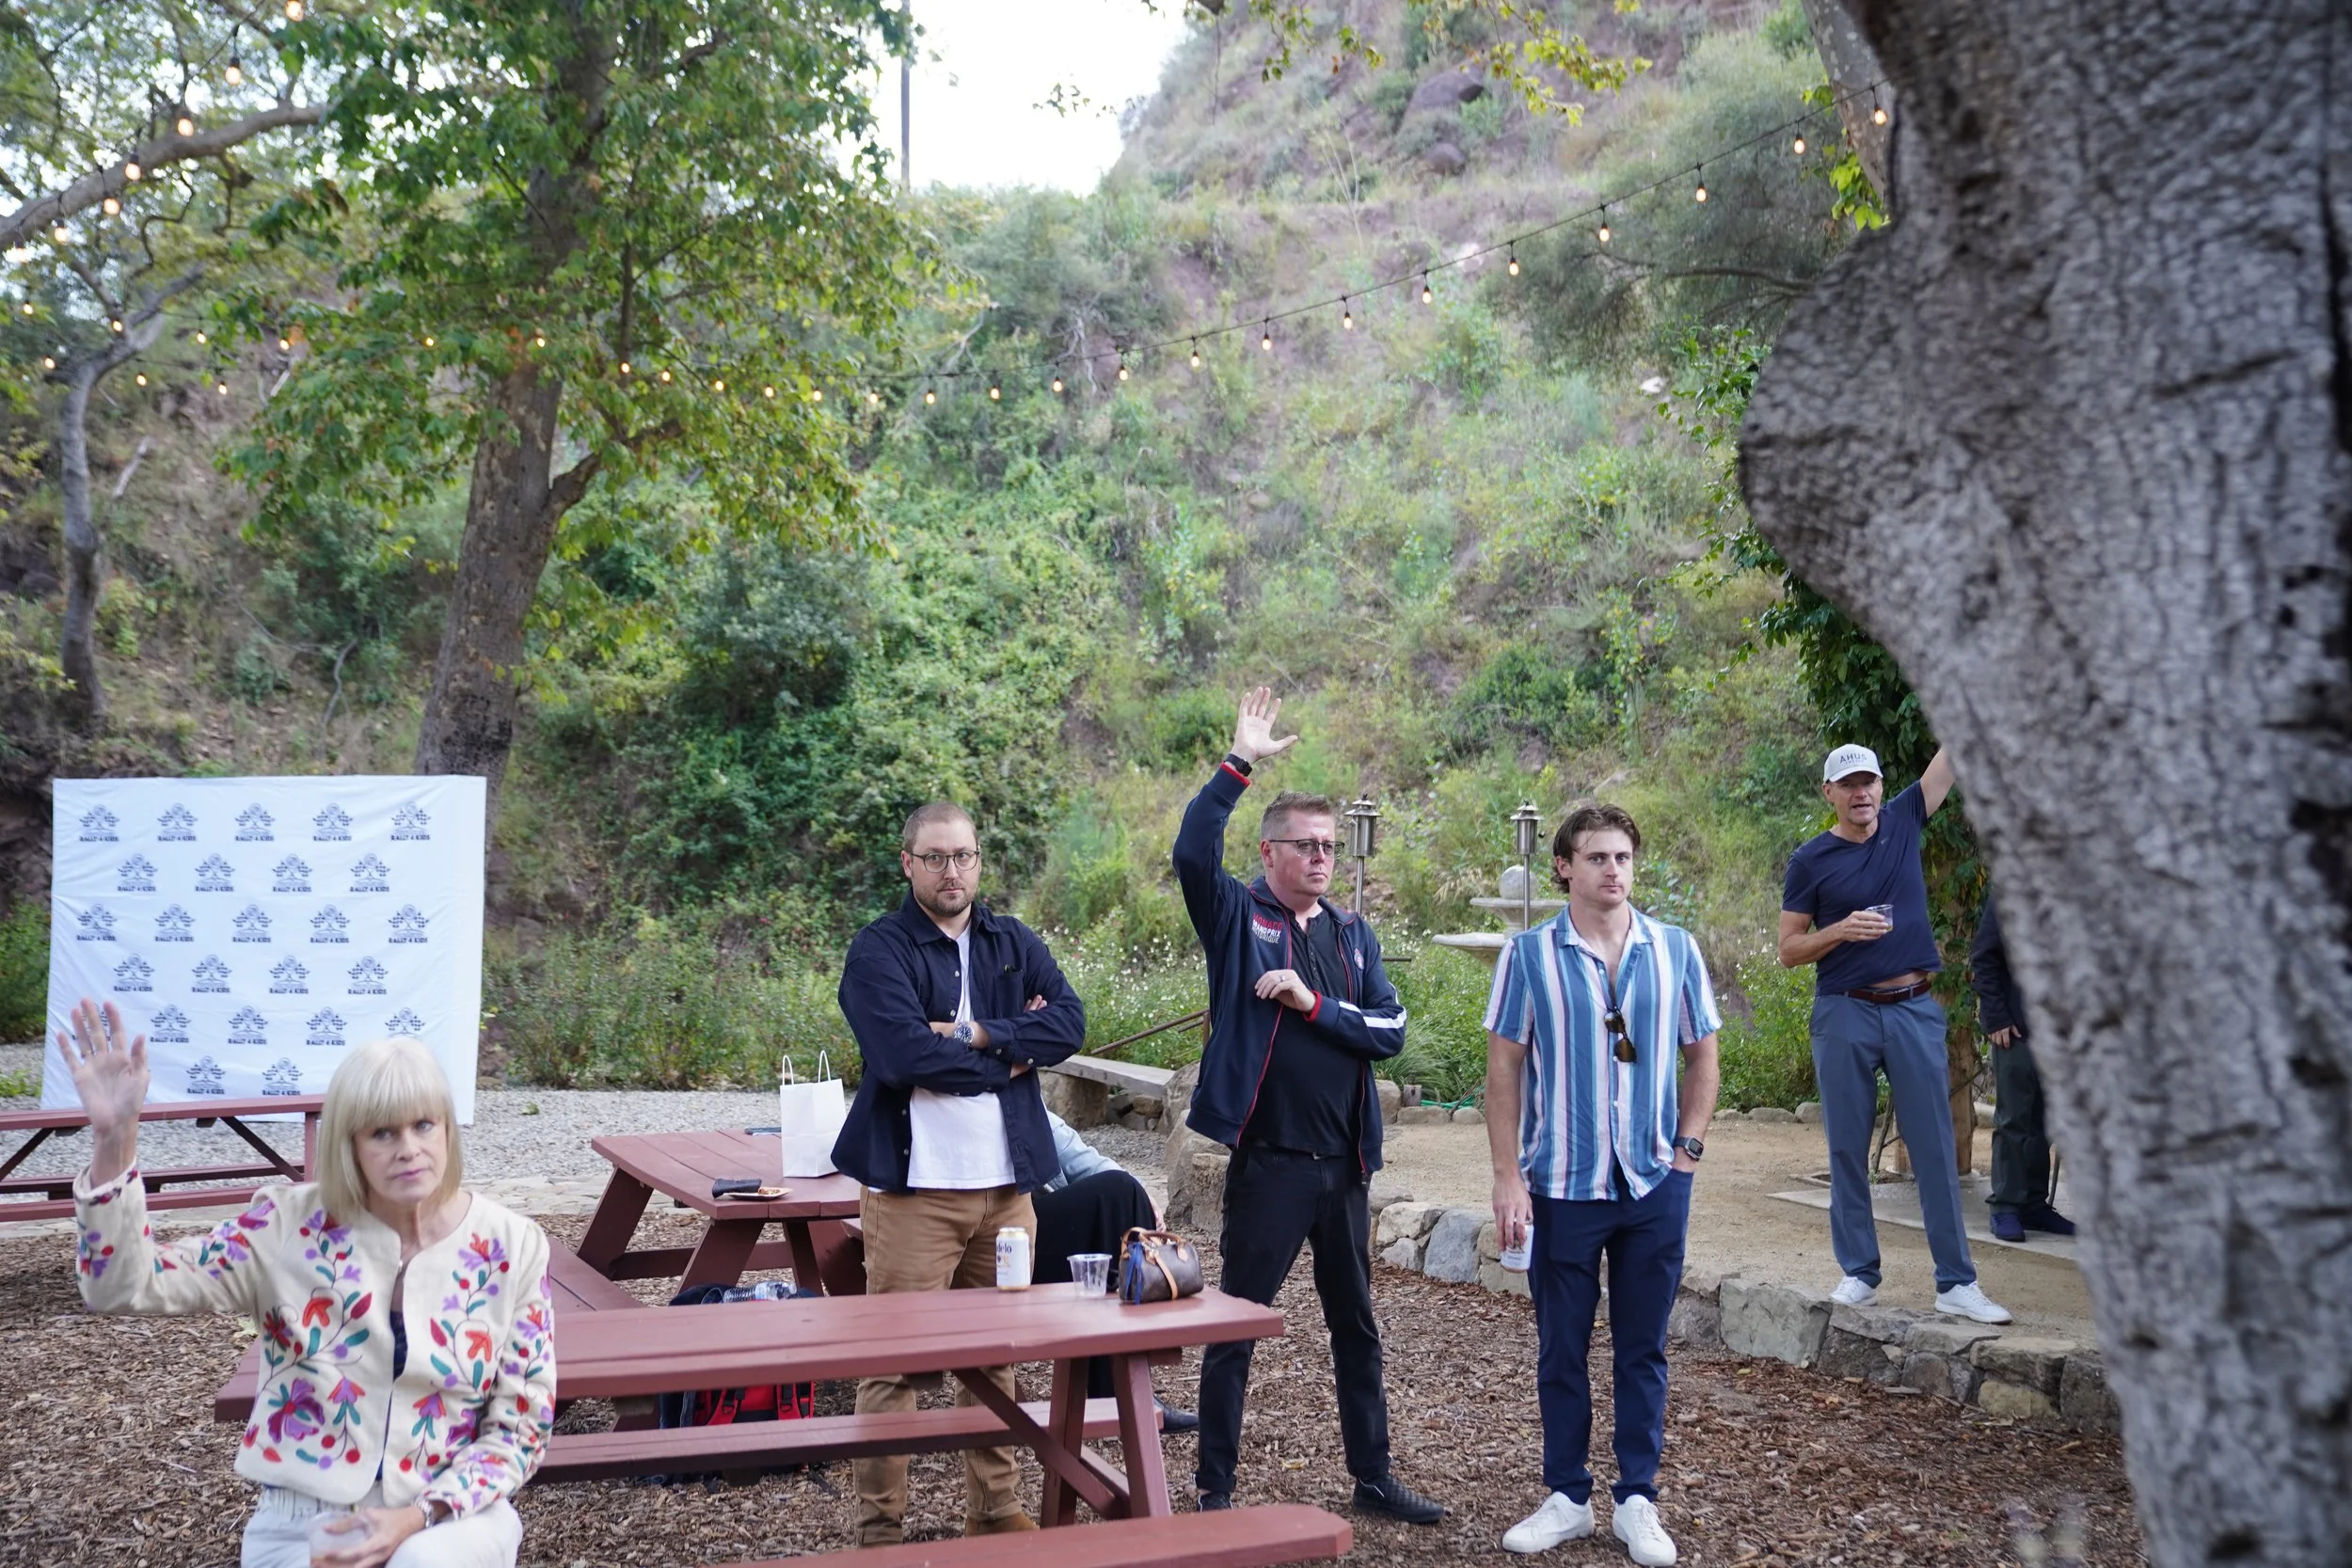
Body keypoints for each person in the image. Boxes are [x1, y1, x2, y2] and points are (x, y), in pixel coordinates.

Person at [60, 1001, 554, 1568]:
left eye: (424, 1125)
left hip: (447, 1514)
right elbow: (124, 1286)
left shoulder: (513, 1246)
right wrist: (115, 1138)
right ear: (349, 1145)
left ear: (447, 1128)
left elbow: (520, 1428)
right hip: (302, 1520)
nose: (409, 1149)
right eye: (382, 1133)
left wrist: (417, 1516)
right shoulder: (284, 1227)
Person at [1172, 687, 1444, 1526]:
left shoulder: (1353, 935)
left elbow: (1390, 1028)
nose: (1323, 856)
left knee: (1356, 1330)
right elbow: (1191, 851)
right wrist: (1239, 760)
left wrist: (1312, 1004)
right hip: (1272, 1167)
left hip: (1344, 1169)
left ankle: (1372, 1475)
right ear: (1271, 851)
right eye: (1308, 844)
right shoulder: (1236, 915)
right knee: (1236, 1330)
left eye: (1330, 845)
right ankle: (1214, 1488)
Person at [831, 800, 1087, 1546]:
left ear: (980, 861)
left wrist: (978, 1033)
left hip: (1008, 1190)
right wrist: (1010, 1058)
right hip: (914, 1192)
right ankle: (881, 1530)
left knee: (998, 1355)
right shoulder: (879, 949)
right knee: (894, 1365)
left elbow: (1069, 1023)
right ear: (907, 862)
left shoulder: (1012, 941)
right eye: (937, 857)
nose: (953, 871)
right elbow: (900, 1055)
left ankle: (995, 1509)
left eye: (965, 856)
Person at [1486, 804, 1720, 1567]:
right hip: (1560, 1183)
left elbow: (1703, 1057)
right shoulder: (1527, 956)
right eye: (1596, 858)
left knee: (1643, 1347)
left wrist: (1686, 1154)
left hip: (1654, 1181)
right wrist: (1507, 1176)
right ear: (1564, 867)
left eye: (1622, 857)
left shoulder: (1675, 950)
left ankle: (1637, 1500)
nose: (1612, 871)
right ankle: (1567, 1495)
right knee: (1561, 1346)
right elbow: (1503, 1070)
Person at [1777, 743, 2011, 1324]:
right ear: (1829, 794)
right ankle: (1859, 1271)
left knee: (1934, 1147)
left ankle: (1956, 1283)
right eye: (1848, 784)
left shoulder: (1905, 819)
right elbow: (1787, 950)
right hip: (1844, 1012)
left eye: (1870, 782)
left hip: (1912, 1007)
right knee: (1847, 1148)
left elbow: (1952, 758)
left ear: (1882, 787)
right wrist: (1838, 931)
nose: (1862, 793)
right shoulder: (1810, 860)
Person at [1033, 1108, 1198, 1432]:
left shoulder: (1017, 1086)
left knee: (1124, 1191)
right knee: (1118, 1193)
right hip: (982, 1237)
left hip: (1031, 1229)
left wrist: (1142, 1193)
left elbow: (1076, 1153)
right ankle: (1120, 1392)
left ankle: (1125, 1389)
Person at [1969, 895, 2074, 1243]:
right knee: (2014, 1119)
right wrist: (1997, 1016)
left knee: (2047, 1121)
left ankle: (2033, 1204)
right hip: (2016, 1029)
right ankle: (2005, 1206)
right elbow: (1984, 958)